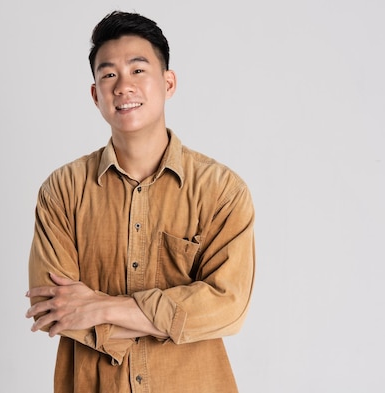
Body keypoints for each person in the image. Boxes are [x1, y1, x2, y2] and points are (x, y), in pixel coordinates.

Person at [25, 10, 255, 393]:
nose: (123, 86)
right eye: (109, 74)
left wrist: (100, 307)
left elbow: (226, 306)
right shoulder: (63, 190)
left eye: (137, 70)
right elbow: (54, 308)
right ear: (96, 94)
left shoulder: (221, 191)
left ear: (168, 83)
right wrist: (177, 316)